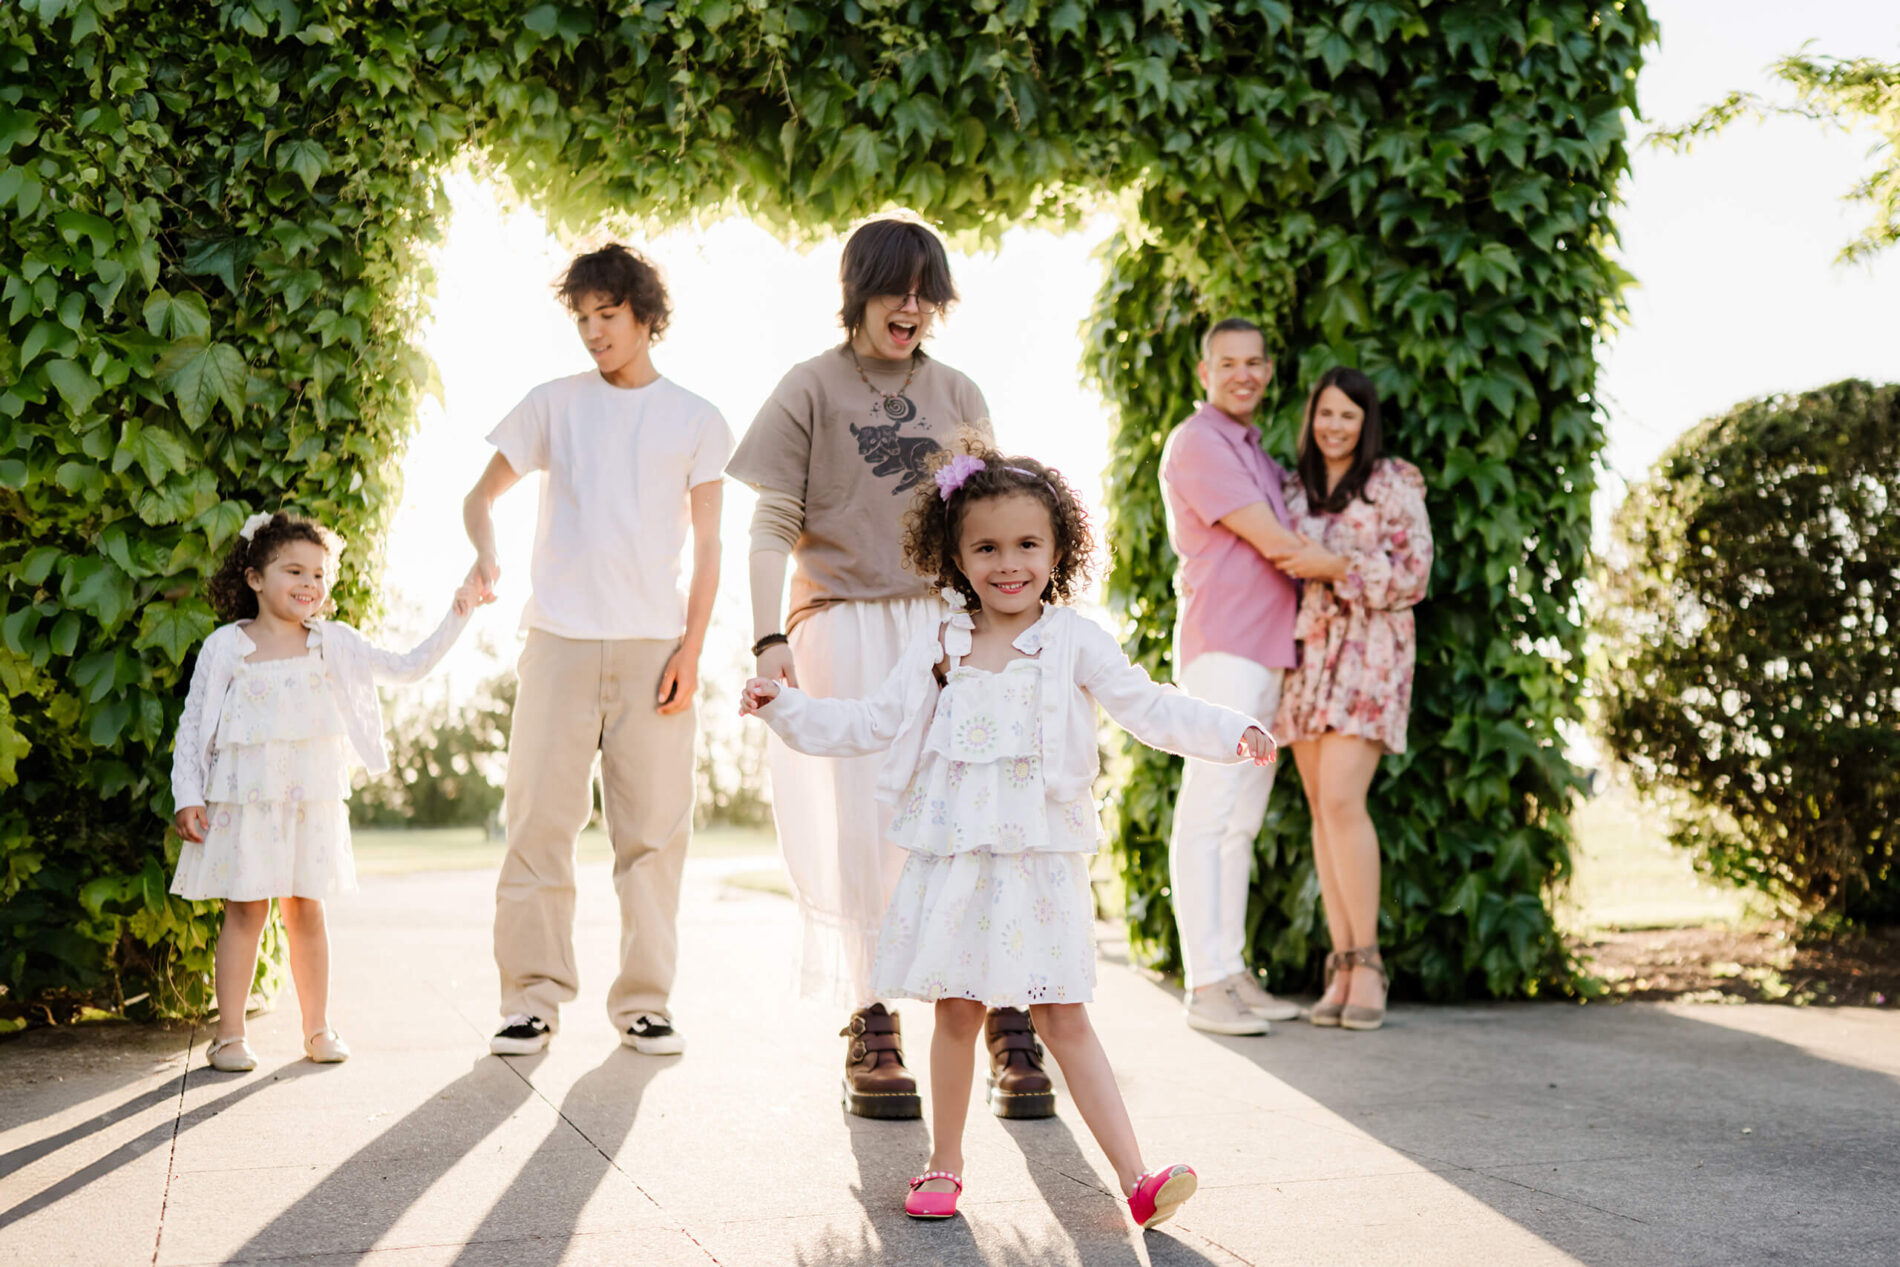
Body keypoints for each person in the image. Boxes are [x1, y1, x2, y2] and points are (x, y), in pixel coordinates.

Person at [740, 445, 1277, 1229]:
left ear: (1059, 549)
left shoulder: (1073, 641)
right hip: (957, 860)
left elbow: (1150, 705)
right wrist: (783, 707)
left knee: (1064, 1015)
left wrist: (1233, 729)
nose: (1007, 563)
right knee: (957, 1010)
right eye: (985, 547)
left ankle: (1136, 1176)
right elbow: (867, 721)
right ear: (954, 555)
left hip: (1040, 863)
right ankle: (944, 1165)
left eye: (1027, 544)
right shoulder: (940, 641)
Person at [728, 216, 1053, 1120]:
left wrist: (1008, 627)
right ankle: (871, 1019)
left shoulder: (957, 390)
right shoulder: (809, 387)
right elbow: (767, 523)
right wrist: (767, 640)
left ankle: (1003, 1011)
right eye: (893, 288)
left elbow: (995, 518)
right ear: (857, 290)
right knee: (867, 827)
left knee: (976, 809)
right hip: (841, 618)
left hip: (947, 621)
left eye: (925, 290)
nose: (910, 306)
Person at [463, 243, 732, 1057]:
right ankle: (530, 999)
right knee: (538, 823)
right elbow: (479, 497)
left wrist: (693, 646)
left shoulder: (697, 418)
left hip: (656, 644)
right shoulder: (554, 404)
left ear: (646, 315)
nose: (592, 331)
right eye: (581, 317)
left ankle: (645, 1002)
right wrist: (485, 551)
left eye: (606, 315)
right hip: (558, 642)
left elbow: (712, 544)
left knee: (651, 834)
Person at [171, 512, 480, 1072]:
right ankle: (230, 1034)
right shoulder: (226, 647)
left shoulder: (332, 643)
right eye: (294, 570)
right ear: (255, 578)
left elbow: (407, 667)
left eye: (319, 574)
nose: (309, 584)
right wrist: (187, 794)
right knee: (245, 910)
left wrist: (457, 613)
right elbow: (195, 725)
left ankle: (317, 1029)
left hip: (307, 803)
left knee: (306, 909)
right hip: (245, 802)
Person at [1266, 367, 1433, 1031]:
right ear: (1311, 418)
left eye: (1348, 416)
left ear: (1366, 424)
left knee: (1342, 798)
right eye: (1326, 414)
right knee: (1319, 808)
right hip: (1309, 655)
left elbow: (1415, 574)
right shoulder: (1291, 487)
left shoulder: (1395, 480)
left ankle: (1370, 964)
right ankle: (1340, 964)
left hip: (1371, 652)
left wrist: (1338, 567)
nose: (1335, 426)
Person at [1158, 317, 1307, 1036]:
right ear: (1204, 373)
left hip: (1266, 650)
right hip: (1225, 648)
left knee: (1240, 822)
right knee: (1210, 811)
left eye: (1255, 361)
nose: (1243, 373)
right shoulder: (1198, 442)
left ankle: (1231, 969)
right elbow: (1276, 544)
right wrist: (1368, 568)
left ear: (1269, 371)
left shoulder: (1257, 452)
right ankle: (1205, 983)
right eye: (1228, 362)